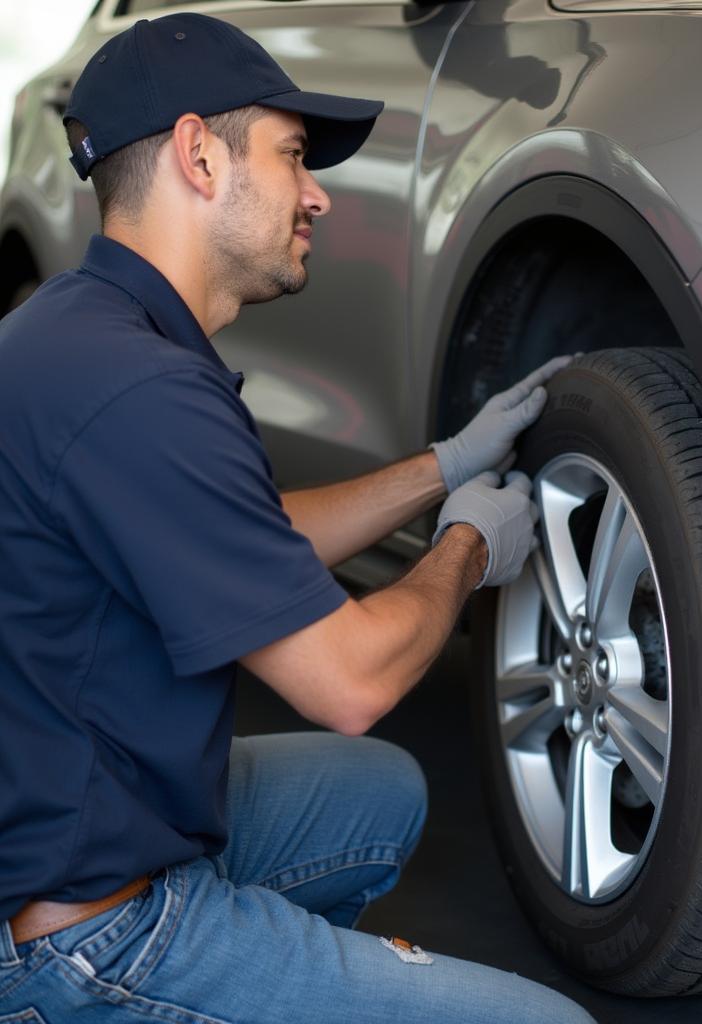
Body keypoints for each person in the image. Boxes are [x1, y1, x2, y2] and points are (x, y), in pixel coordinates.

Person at [0, 12, 595, 1023]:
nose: (315, 191)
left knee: (379, 793)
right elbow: (350, 680)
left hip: (59, 822)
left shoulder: (76, 330)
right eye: (290, 156)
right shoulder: (140, 389)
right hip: (81, 932)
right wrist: (465, 545)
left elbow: (242, 531)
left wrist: (439, 469)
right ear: (198, 155)